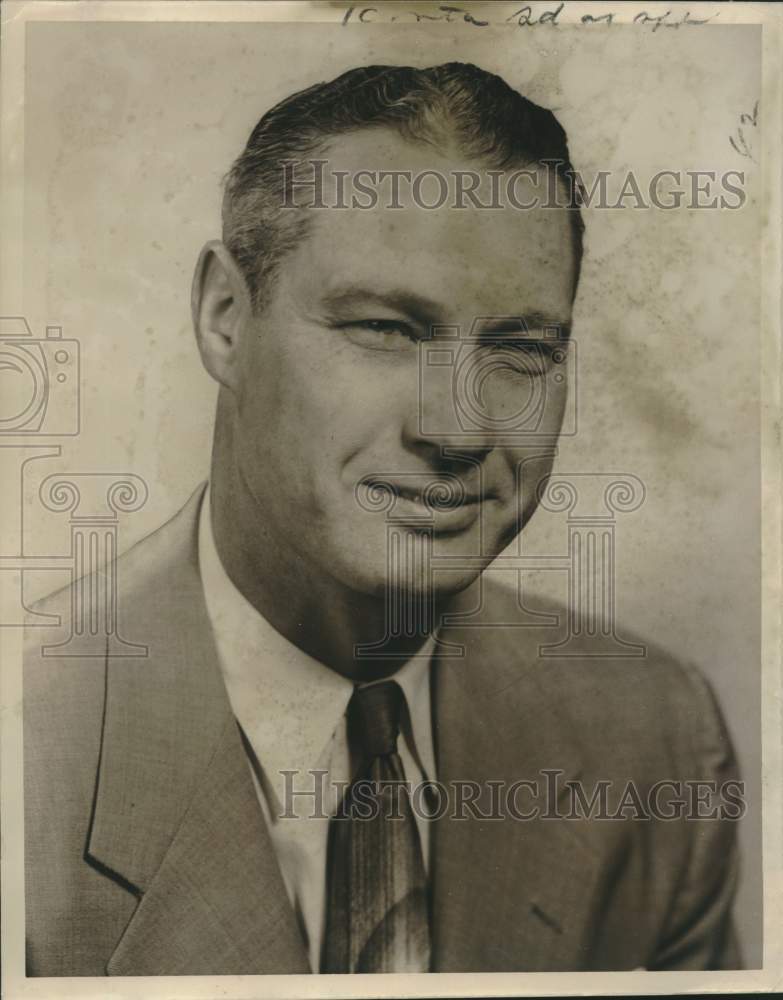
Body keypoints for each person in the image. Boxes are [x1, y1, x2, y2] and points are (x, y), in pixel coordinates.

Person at [24, 62, 741, 976]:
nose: (455, 429)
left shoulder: (655, 740)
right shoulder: (31, 742)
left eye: (519, 351)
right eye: (385, 330)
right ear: (223, 319)